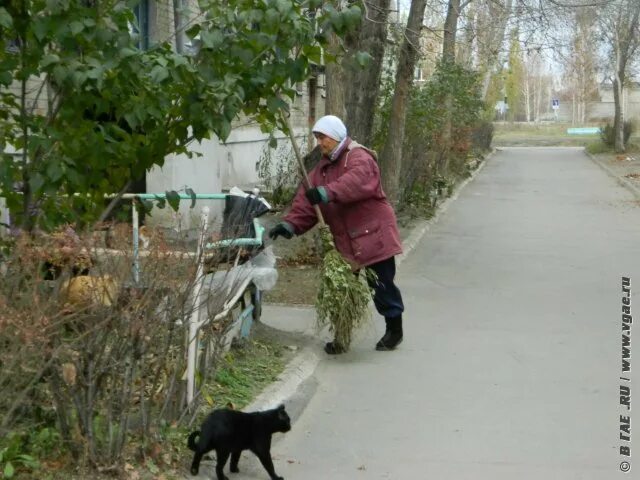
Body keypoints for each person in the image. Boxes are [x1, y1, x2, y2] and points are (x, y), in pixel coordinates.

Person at [269, 115, 405, 355]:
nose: (320, 142)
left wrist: (327, 193)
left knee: (381, 285)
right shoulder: (320, 170)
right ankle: (342, 336)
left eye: (323, 137)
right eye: (317, 138)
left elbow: (356, 183)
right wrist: (290, 225)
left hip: (373, 234)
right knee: (341, 290)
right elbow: (307, 203)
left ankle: (394, 329)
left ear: (336, 136)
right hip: (346, 241)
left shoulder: (359, 157)